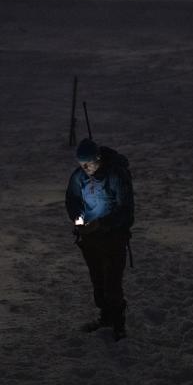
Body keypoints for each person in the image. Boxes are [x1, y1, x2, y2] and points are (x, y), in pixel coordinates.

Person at [65, 138, 135, 341]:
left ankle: (118, 324)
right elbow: (72, 199)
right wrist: (78, 219)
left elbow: (126, 210)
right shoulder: (79, 177)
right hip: (90, 239)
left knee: (112, 281)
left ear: (98, 159)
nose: (86, 169)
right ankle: (105, 318)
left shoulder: (116, 175)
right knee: (98, 280)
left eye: (89, 164)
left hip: (113, 237)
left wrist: (104, 224)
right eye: (82, 165)